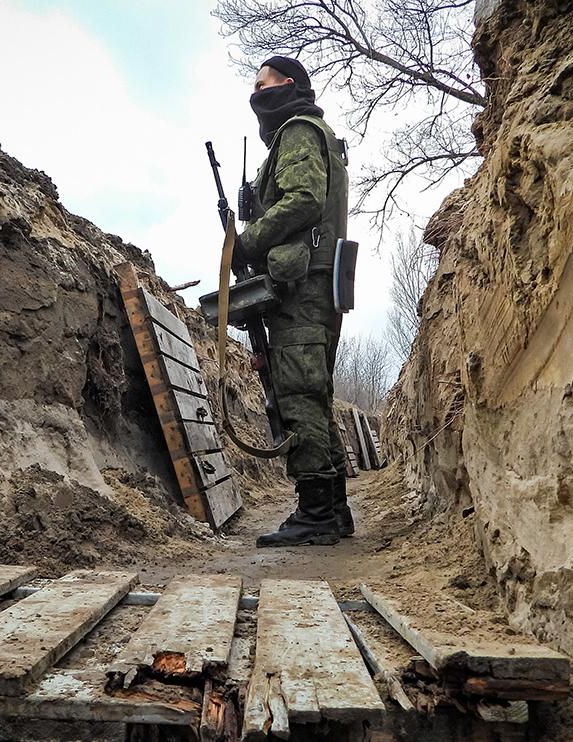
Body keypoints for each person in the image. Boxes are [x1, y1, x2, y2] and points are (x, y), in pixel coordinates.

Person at [231, 56, 352, 547]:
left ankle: (316, 514)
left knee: (299, 395)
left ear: (290, 85)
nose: (255, 93)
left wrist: (248, 241)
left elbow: (303, 199)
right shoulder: (299, 136)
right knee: (313, 394)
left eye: (263, 84)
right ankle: (334, 510)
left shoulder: (299, 130)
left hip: (303, 291)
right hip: (311, 287)